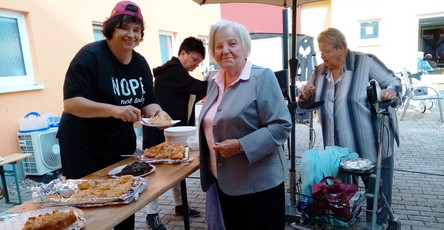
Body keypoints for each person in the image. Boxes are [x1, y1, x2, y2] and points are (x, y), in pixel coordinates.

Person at [57, 2, 170, 229]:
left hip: (119, 145)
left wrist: (159, 114)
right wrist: (113, 109)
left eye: (136, 30)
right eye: (124, 28)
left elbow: (148, 100)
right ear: (111, 29)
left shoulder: (139, 62)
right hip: (83, 147)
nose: (131, 35)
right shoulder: (90, 56)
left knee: (124, 203)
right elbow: (71, 103)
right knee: (90, 208)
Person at [299, 28, 401, 230]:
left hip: (371, 142)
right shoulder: (320, 71)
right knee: (341, 188)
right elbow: (306, 102)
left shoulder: (366, 62)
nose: (322, 56)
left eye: (326, 51)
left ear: (341, 48)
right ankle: (343, 215)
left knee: (377, 188)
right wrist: (305, 94)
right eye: (320, 52)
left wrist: (390, 91)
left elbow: (394, 82)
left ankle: (379, 222)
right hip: (338, 149)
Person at [197, 20, 292, 230]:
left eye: (232, 43)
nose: (225, 51)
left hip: (259, 186)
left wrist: (241, 145)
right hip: (224, 183)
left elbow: (281, 125)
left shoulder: (261, 77)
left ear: (244, 45)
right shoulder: (215, 80)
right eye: (219, 46)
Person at [143, 37, 207, 230]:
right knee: (155, 174)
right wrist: (218, 81)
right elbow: (198, 88)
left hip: (174, 132)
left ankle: (180, 205)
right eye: (194, 60)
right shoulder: (173, 71)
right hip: (158, 132)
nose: (195, 65)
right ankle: (151, 214)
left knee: (177, 169)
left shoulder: (178, 72)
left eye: (199, 62)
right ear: (183, 53)